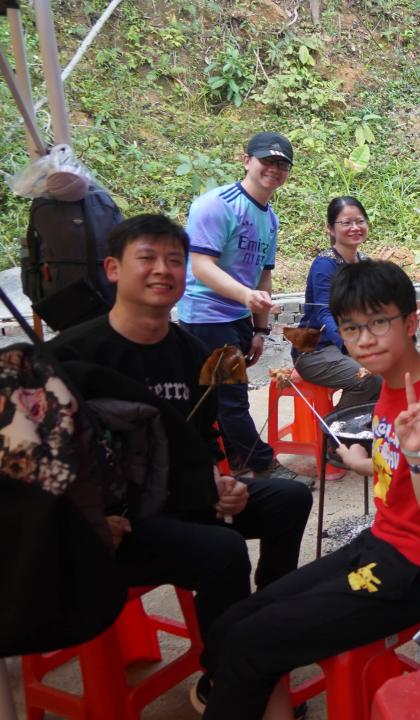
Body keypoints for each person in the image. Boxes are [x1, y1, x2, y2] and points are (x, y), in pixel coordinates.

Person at [198, 260, 420, 719]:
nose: (364, 339)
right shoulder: (391, 386)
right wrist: (362, 462)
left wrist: (418, 456)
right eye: (351, 328)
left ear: (410, 323)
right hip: (379, 542)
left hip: (415, 570)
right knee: (232, 624)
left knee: (250, 641)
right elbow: (394, 471)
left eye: (379, 322)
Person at [46, 213, 312, 654]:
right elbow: (31, 460)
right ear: (113, 269)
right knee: (223, 551)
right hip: (112, 525)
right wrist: (82, 520)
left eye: (174, 260)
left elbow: (201, 437)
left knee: (289, 498)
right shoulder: (68, 355)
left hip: (183, 500)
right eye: (146, 258)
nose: (162, 270)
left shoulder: (191, 351)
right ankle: (225, 671)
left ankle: (267, 615)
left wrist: (219, 480)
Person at [175, 131, 293, 480]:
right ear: (246, 161)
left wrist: (260, 329)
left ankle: (235, 463)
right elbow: (200, 266)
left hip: (239, 318)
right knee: (232, 399)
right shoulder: (217, 205)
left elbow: (263, 276)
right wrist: (244, 296)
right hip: (207, 317)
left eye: (282, 164)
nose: (274, 169)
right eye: (266, 160)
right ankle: (262, 464)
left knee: (221, 398)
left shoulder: (270, 218)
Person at [293, 197, 381, 409]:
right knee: (368, 380)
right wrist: (351, 344)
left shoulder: (365, 262)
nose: (355, 227)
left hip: (351, 346)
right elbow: (325, 313)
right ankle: (335, 428)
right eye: (346, 223)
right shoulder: (325, 264)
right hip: (315, 350)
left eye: (360, 221)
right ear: (331, 228)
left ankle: (371, 429)